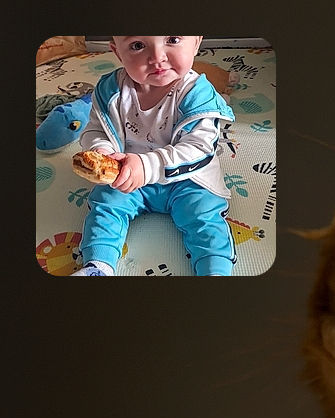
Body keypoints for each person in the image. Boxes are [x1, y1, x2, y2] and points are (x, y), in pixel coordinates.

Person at [72, 35, 234, 277]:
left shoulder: (199, 95)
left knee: (204, 218)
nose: (158, 57)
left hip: (189, 181)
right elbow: (96, 129)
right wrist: (102, 151)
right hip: (128, 178)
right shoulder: (110, 90)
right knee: (105, 204)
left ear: (197, 42)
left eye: (173, 39)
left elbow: (200, 149)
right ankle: (98, 266)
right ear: (118, 53)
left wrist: (148, 166)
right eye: (138, 45)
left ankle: (215, 270)